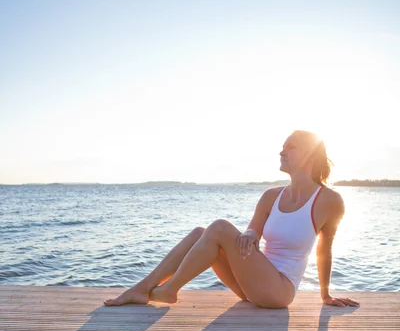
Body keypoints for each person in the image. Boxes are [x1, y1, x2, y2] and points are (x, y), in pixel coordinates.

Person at [104, 130, 359, 309]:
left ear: (310, 155)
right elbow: (253, 234)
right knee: (200, 233)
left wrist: (325, 294)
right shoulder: (271, 196)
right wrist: (249, 234)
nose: (281, 151)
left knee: (219, 228)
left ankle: (169, 290)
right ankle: (144, 288)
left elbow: (325, 249)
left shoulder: (329, 200)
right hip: (251, 284)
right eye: (282, 146)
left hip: (279, 291)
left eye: (290, 146)